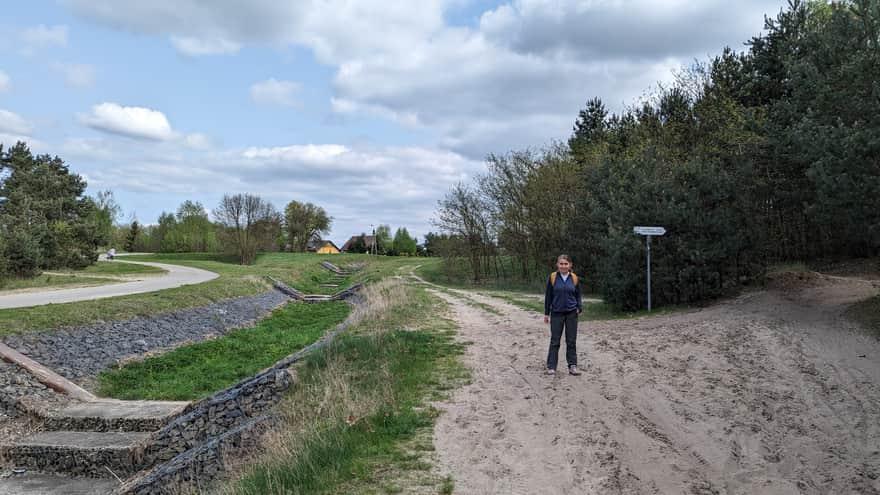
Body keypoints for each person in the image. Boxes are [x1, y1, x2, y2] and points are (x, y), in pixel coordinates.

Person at [543, 254, 583, 376]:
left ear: (570, 265)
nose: (564, 266)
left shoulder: (574, 278)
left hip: (572, 313)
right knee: (555, 341)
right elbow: (548, 296)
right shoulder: (553, 277)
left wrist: (579, 308)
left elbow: (578, 295)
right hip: (556, 313)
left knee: (571, 341)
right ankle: (551, 367)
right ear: (557, 265)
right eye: (561, 263)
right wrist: (546, 313)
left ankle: (572, 366)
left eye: (566, 264)